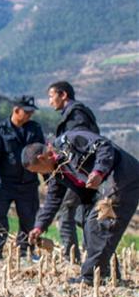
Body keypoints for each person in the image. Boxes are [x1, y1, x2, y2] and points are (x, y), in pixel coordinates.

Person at [24, 129, 139, 285]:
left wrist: (98, 171)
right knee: (83, 219)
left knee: (98, 223)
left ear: (42, 158)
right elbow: (53, 198)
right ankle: (108, 273)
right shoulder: (57, 170)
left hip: (123, 179)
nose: (41, 174)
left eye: (38, 171)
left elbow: (103, 145)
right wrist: (39, 227)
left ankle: (91, 277)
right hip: (102, 190)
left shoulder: (70, 141)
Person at [0, 96, 45, 259]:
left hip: (28, 184)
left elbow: (42, 156)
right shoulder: (0, 131)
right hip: (4, 183)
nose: (30, 115)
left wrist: (48, 179)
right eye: (27, 112)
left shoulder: (35, 129)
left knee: (28, 219)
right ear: (16, 110)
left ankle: (26, 252)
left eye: (32, 112)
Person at [47, 81, 100, 261]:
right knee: (83, 215)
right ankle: (92, 255)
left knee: (67, 211)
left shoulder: (76, 116)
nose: (50, 101)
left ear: (63, 95)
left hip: (81, 173)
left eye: (51, 96)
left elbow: (79, 144)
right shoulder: (76, 114)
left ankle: (72, 258)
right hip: (84, 173)